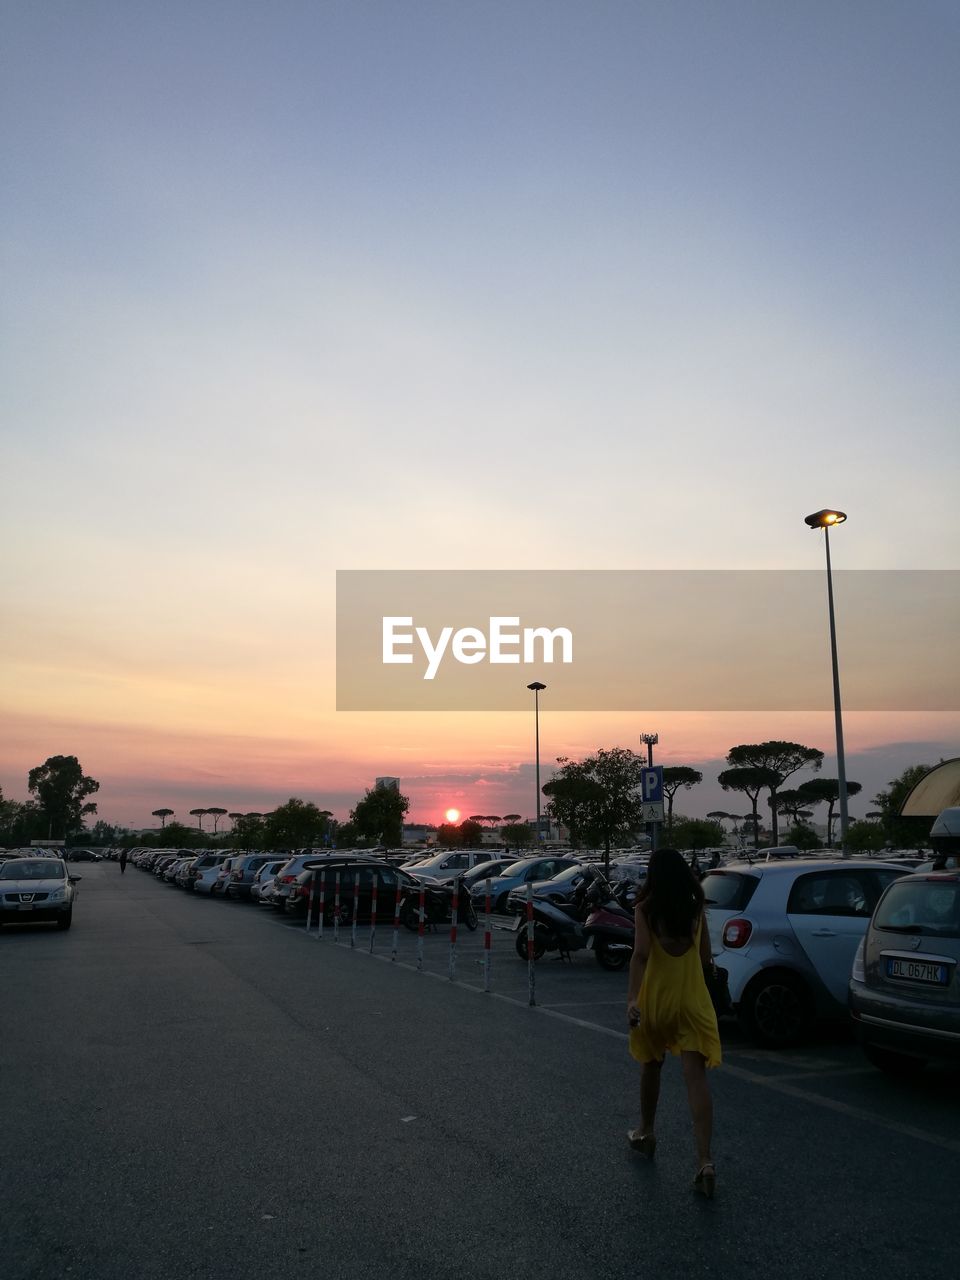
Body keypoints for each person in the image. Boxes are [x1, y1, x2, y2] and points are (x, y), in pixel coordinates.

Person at [625, 846, 722, 1198]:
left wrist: (633, 1000)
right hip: (693, 1002)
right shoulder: (696, 908)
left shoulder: (645, 910)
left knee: (652, 1065)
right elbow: (705, 956)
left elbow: (640, 956)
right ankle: (705, 1161)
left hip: (657, 1001)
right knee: (695, 1079)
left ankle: (646, 1132)